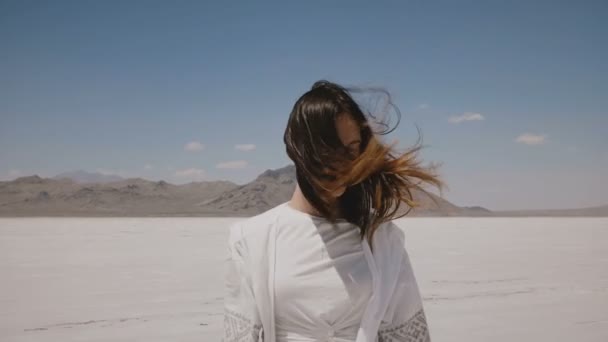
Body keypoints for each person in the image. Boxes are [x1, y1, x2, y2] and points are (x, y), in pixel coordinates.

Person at [222, 80, 445, 342]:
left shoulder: (383, 240)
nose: (343, 165)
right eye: (329, 151)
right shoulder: (252, 239)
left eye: (352, 150)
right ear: (298, 150)